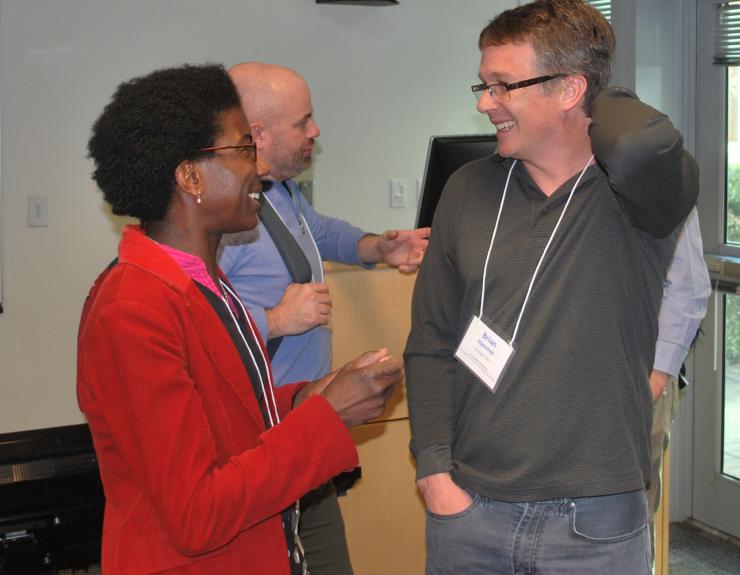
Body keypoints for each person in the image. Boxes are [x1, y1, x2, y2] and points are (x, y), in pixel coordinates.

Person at [404, 1, 699, 573]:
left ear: (569, 90)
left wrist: (602, 95)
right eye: (483, 84)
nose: (484, 103)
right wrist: (434, 472)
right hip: (470, 512)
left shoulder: (637, 194)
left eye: (503, 85)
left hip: (594, 519)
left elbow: (645, 140)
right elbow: (433, 338)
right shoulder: (466, 189)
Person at [78, 63, 403, 575]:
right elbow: (196, 513)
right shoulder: (134, 307)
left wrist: (308, 395)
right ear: (190, 177)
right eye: (243, 150)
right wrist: (326, 418)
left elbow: (227, 412)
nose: (258, 168)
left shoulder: (201, 282)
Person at [218, 62, 430, 574]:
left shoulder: (280, 192)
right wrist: (272, 319)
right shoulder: (226, 216)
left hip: (307, 429)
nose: (315, 132)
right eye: (303, 121)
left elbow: (320, 230)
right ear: (259, 133)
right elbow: (193, 318)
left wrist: (377, 247)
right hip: (262, 440)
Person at [648, 207, 710, 554]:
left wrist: (655, 380)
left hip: (641, 380)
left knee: (628, 520)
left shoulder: (656, 168)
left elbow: (688, 286)